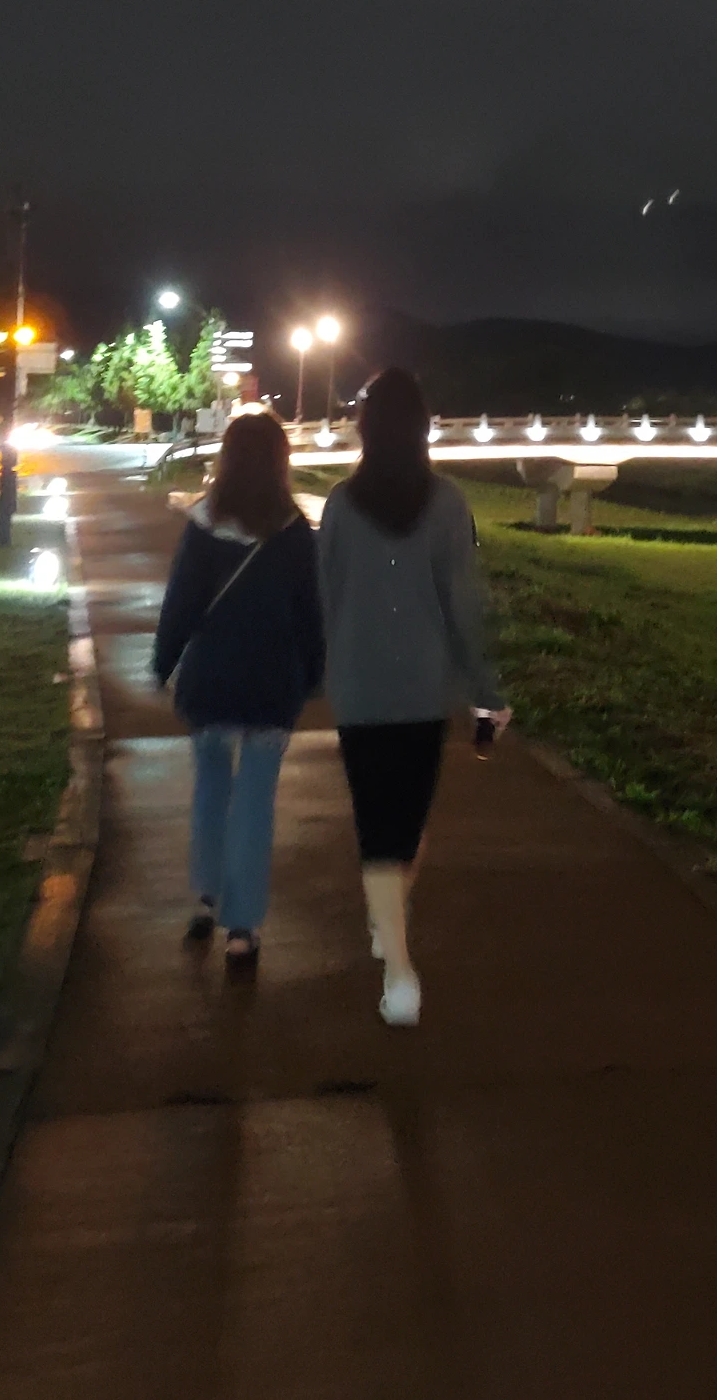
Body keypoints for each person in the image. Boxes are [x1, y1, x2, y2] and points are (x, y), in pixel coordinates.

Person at [318, 367, 510, 1026]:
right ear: (423, 428)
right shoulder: (449, 504)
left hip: (358, 690)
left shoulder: (340, 505)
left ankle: (395, 957)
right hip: (426, 691)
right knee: (408, 825)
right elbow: (464, 608)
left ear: (366, 429)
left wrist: (325, 668)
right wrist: (485, 692)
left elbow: (324, 595)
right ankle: (394, 938)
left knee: (376, 828)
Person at [152, 410, 323, 973]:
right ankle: (242, 929)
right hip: (272, 685)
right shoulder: (294, 533)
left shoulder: (203, 526)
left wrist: (162, 663)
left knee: (210, 789)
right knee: (254, 801)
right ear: (280, 463)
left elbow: (181, 604)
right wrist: (314, 674)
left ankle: (205, 897)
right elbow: (311, 616)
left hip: (212, 681)